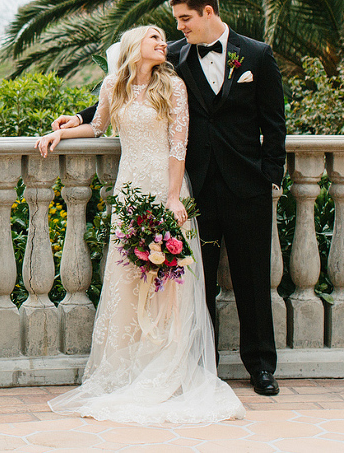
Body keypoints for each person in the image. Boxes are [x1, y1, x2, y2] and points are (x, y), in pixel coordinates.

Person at [54, 0, 285, 400]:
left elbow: (275, 124)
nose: (178, 29)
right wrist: (77, 118)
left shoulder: (256, 55)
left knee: (253, 279)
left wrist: (270, 179)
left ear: (208, 13)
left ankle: (261, 367)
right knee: (194, 284)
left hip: (246, 186)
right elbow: (125, 87)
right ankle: (201, 366)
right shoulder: (174, 58)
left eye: (184, 19)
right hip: (195, 190)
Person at [36, 24, 245, 424]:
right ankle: (129, 362)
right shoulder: (113, 85)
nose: (163, 42)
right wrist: (58, 133)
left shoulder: (174, 86)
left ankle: (167, 360)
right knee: (129, 276)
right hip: (129, 188)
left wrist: (171, 198)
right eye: (154, 37)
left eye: (164, 37)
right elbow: (97, 126)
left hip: (165, 187)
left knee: (169, 280)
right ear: (134, 46)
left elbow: (178, 145)